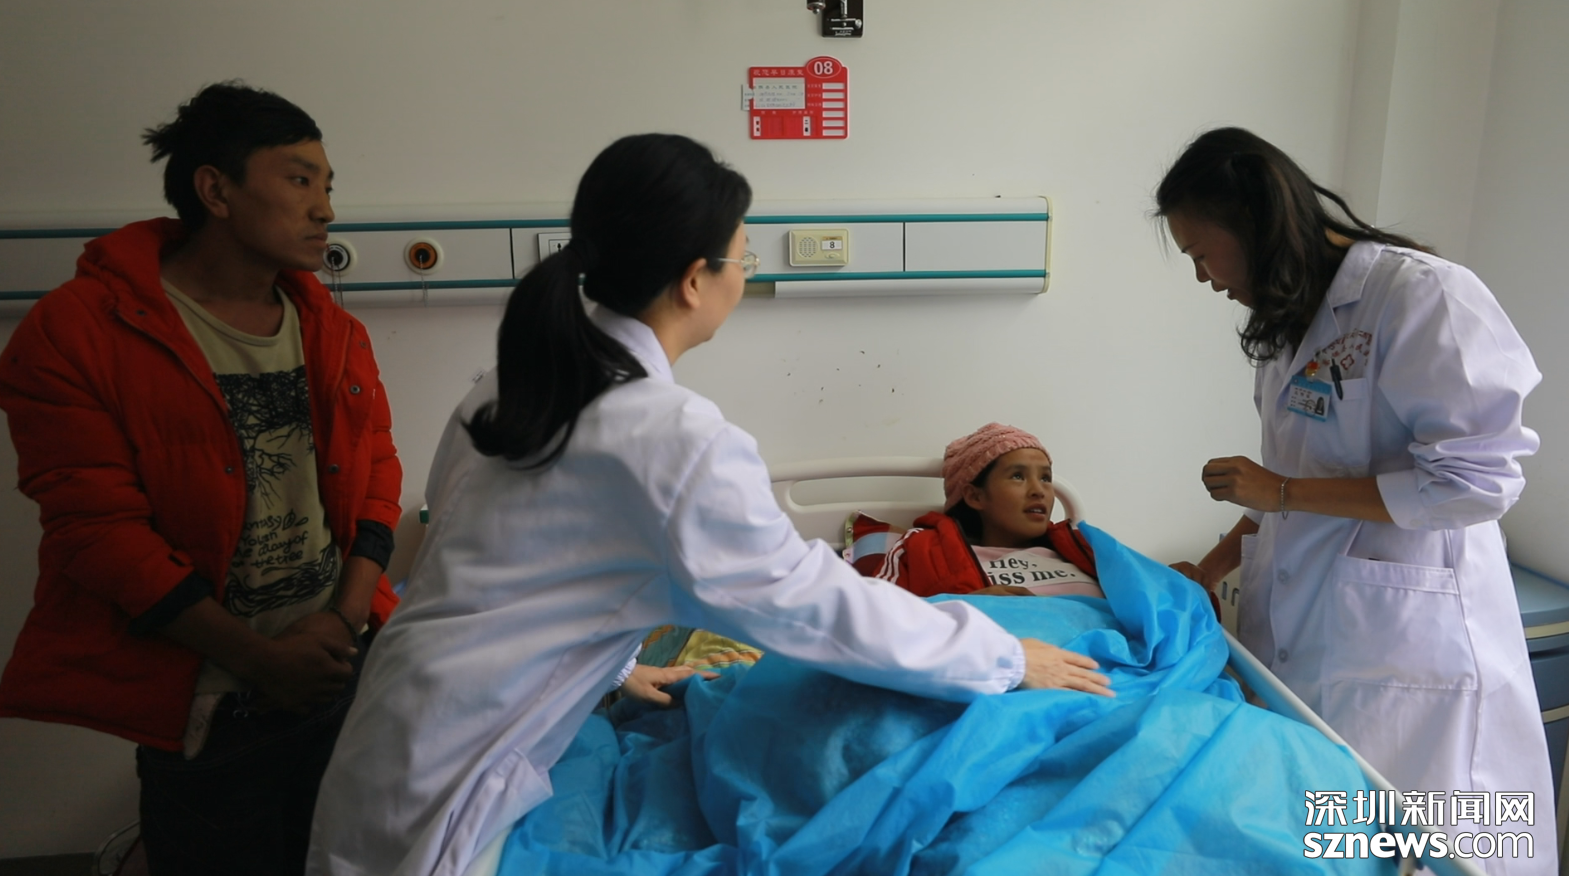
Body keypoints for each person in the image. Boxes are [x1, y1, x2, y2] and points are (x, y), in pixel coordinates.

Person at [307, 134, 1111, 876]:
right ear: (696, 279)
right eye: (742, 255)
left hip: (392, 728)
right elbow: (813, 606)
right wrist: (1004, 658)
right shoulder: (670, 436)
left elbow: (508, 568)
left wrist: (617, 663)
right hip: (456, 775)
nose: (744, 273)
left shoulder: (511, 380)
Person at [0, 82, 403, 875]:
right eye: (299, 180)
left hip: (335, 675)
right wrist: (259, 660)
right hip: (208, 700)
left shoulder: (332, 330)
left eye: (328, 185)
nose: (325, 208)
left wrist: (342, 621)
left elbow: (377, 476)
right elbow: (98, 534)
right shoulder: (77, 332)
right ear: (215, 190)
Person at [1159, 127, 1554, 875]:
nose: (1204, 278)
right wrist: (1207, 570)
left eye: (1201, 254)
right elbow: (1289, 485)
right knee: (1338, 847)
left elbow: (1476, 482)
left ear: (1252, 223)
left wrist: (1278, 490)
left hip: (1409, 649)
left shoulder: (1420, 295)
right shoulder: (1292, 322)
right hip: (1315, 639)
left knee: (1445, 848)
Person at [870, 423, 1103, 599]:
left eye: (1045, 478)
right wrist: (969, 607)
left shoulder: (1085, 549)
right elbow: (880, 623)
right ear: (975, 496)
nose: (1038, 491)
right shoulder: (924, 550)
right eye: (1018, 476)